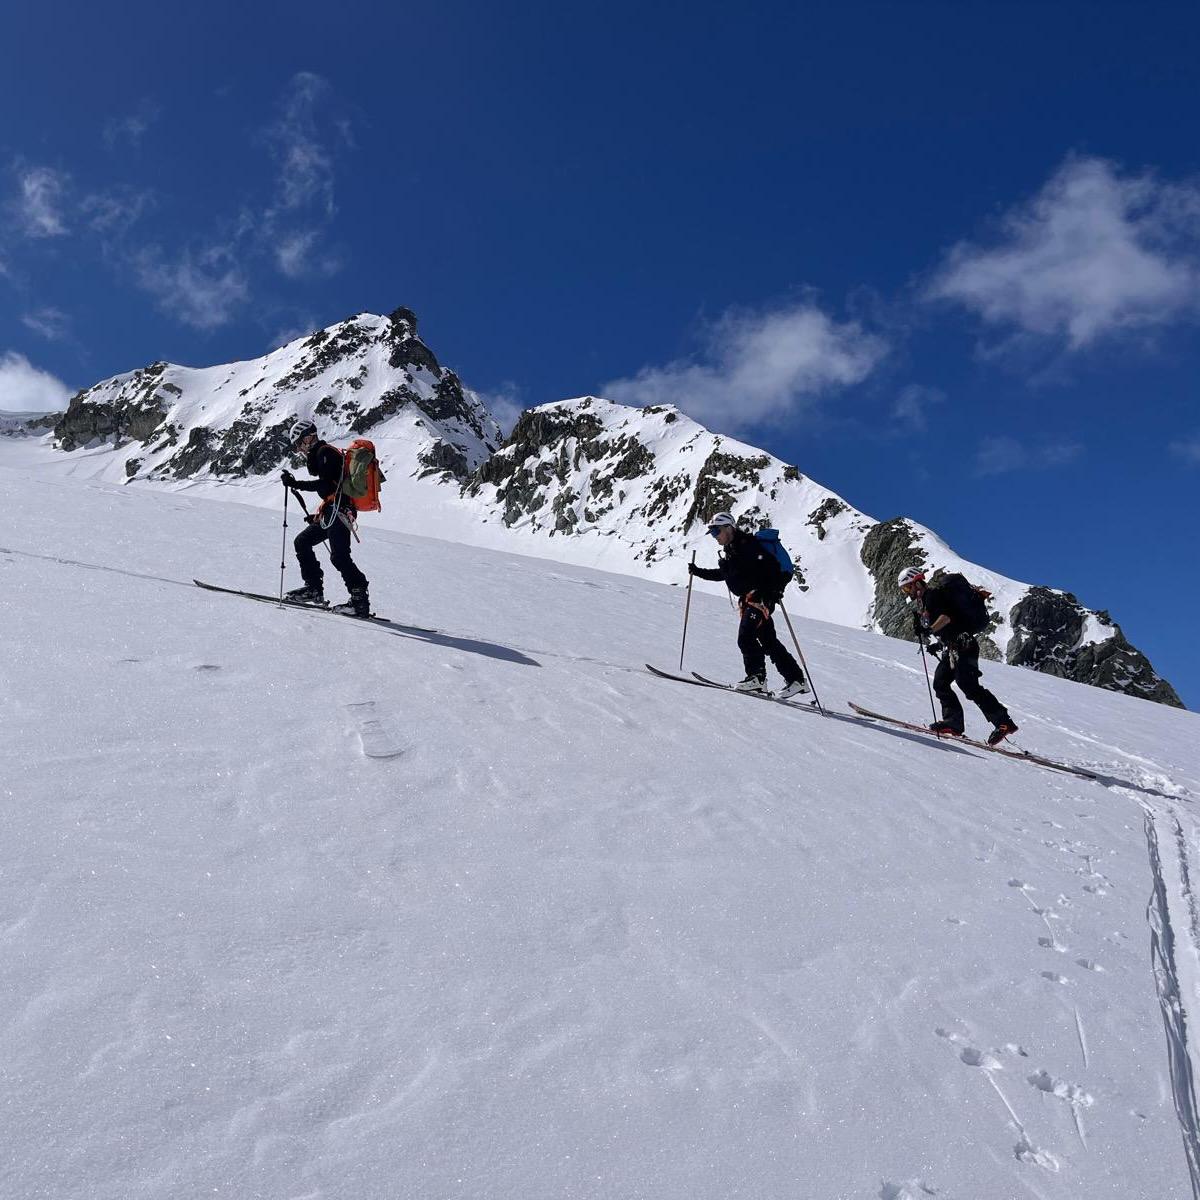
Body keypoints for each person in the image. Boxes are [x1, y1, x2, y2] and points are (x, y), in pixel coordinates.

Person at [688, 512, 809, 698]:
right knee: (768, 641)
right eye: (712, 533)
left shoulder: (747, 546)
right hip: (755, 600)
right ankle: (796, 680)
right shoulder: (734, 550)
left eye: (716, 531)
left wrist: (772, 591)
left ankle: (756, 678)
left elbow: (770, 567)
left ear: (729, 528)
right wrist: (698, 572)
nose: (715, 536)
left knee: (745, 637)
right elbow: (724, 575)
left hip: (759, 599)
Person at [898, 565, 1018, 745]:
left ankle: (1003, 722)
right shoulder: (926, 601)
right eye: (904, 589)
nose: (908, 592)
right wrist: (939, 644)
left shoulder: (932, 596)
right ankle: (953, 723)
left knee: (967, 685)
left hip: (964, 646)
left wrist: (928, 629)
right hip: (954, 647)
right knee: (941, 682)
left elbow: (946, 618)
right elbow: (951, 626)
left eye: (908, 587)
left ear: (917, 582)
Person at [281, 420, 371, 617]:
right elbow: (331, 486)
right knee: (302, 542)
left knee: (339, 556)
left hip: (339, 510)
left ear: (307, 438)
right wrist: (318, 515)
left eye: (298, 444)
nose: (299, 449)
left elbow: (325, 486)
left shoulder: (325, 453)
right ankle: (313, 588)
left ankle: (359, 600)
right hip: (333, 510)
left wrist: (295, 484)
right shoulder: (323, 455)